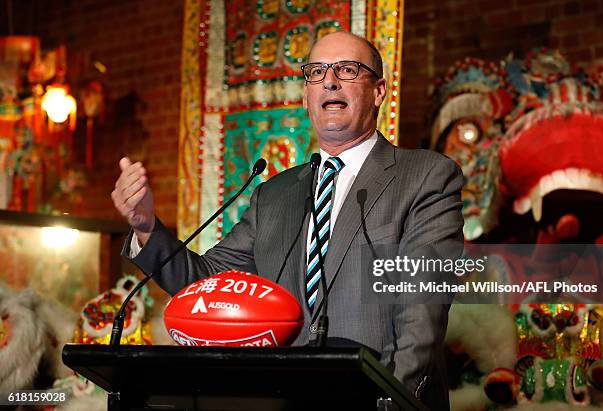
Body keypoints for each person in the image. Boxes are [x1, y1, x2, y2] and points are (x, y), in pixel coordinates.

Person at [111, 31, 464, 410]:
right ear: (306, 95)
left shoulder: (426, 176)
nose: (330, 80)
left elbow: (421, 311)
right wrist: (146, 226)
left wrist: (389, 401)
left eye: (347, 69)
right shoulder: (274, 194)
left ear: (378, 91)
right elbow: (207, 285)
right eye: (316, 72)